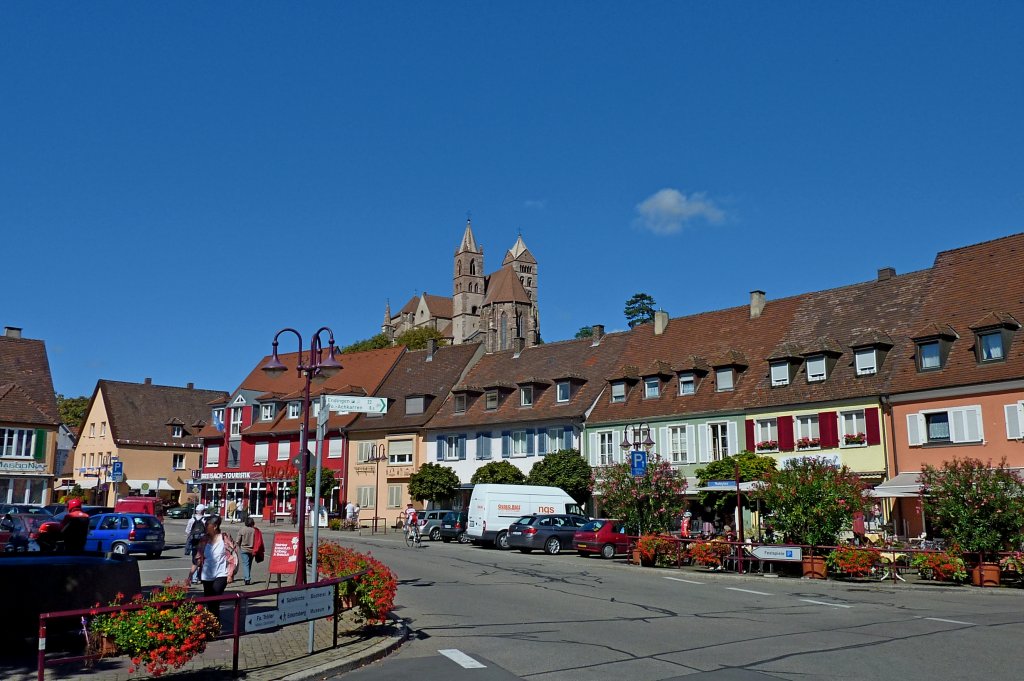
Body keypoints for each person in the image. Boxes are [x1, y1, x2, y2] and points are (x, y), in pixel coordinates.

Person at [195, 515, 237, 618]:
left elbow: (233, 557)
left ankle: (214, 623)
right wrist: (192, 572)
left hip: (221, 574)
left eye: (207, 525)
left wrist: (230, 574)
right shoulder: (204, 539)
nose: (205, 527)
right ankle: (211, 624)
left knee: (215, 598)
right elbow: (198, 556)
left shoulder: (224, 538)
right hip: (206, 575)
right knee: (209, 601)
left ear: (215, 526)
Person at [185, 504, 209, 584]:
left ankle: (194, 578)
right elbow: (207, 531)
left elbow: (187, 531)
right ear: (203, 511)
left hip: (194, 543)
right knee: (203, 560)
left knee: (195, 561)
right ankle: (200, 577)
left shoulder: (191, 520)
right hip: (203, 543)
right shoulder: (204, 520)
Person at [237, 517, 256, 585]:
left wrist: (238, 546)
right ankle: (247, 577)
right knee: (249, 564)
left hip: (244, 549)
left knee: (245, 564)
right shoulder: (254, 530)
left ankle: (247, 578)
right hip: (252, 549)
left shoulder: (242, 529)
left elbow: (238, 540)